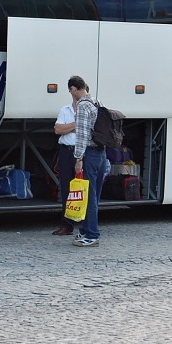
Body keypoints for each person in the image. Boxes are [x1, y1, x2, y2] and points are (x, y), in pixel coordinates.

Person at [68, 74, 108, 248]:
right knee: (94, 196)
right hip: (101, 154)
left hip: (90, 154)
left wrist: (78, 158)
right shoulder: (97, 102)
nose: (71, 94)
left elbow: (82, 135)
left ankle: (92, 235)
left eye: (71, 91)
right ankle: (85, 231)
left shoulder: (84, 106)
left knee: (89, 197)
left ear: (74, 89)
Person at [52, 95, 78, 236]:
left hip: (81, 152)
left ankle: (86, 225)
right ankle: (67, 224)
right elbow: (57, 130)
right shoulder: (65, 109)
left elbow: (87, 131)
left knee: (83, 189)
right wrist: (75, 125)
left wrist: (66, 127)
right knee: (66, 189)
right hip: (66, 152)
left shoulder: (87, 110)